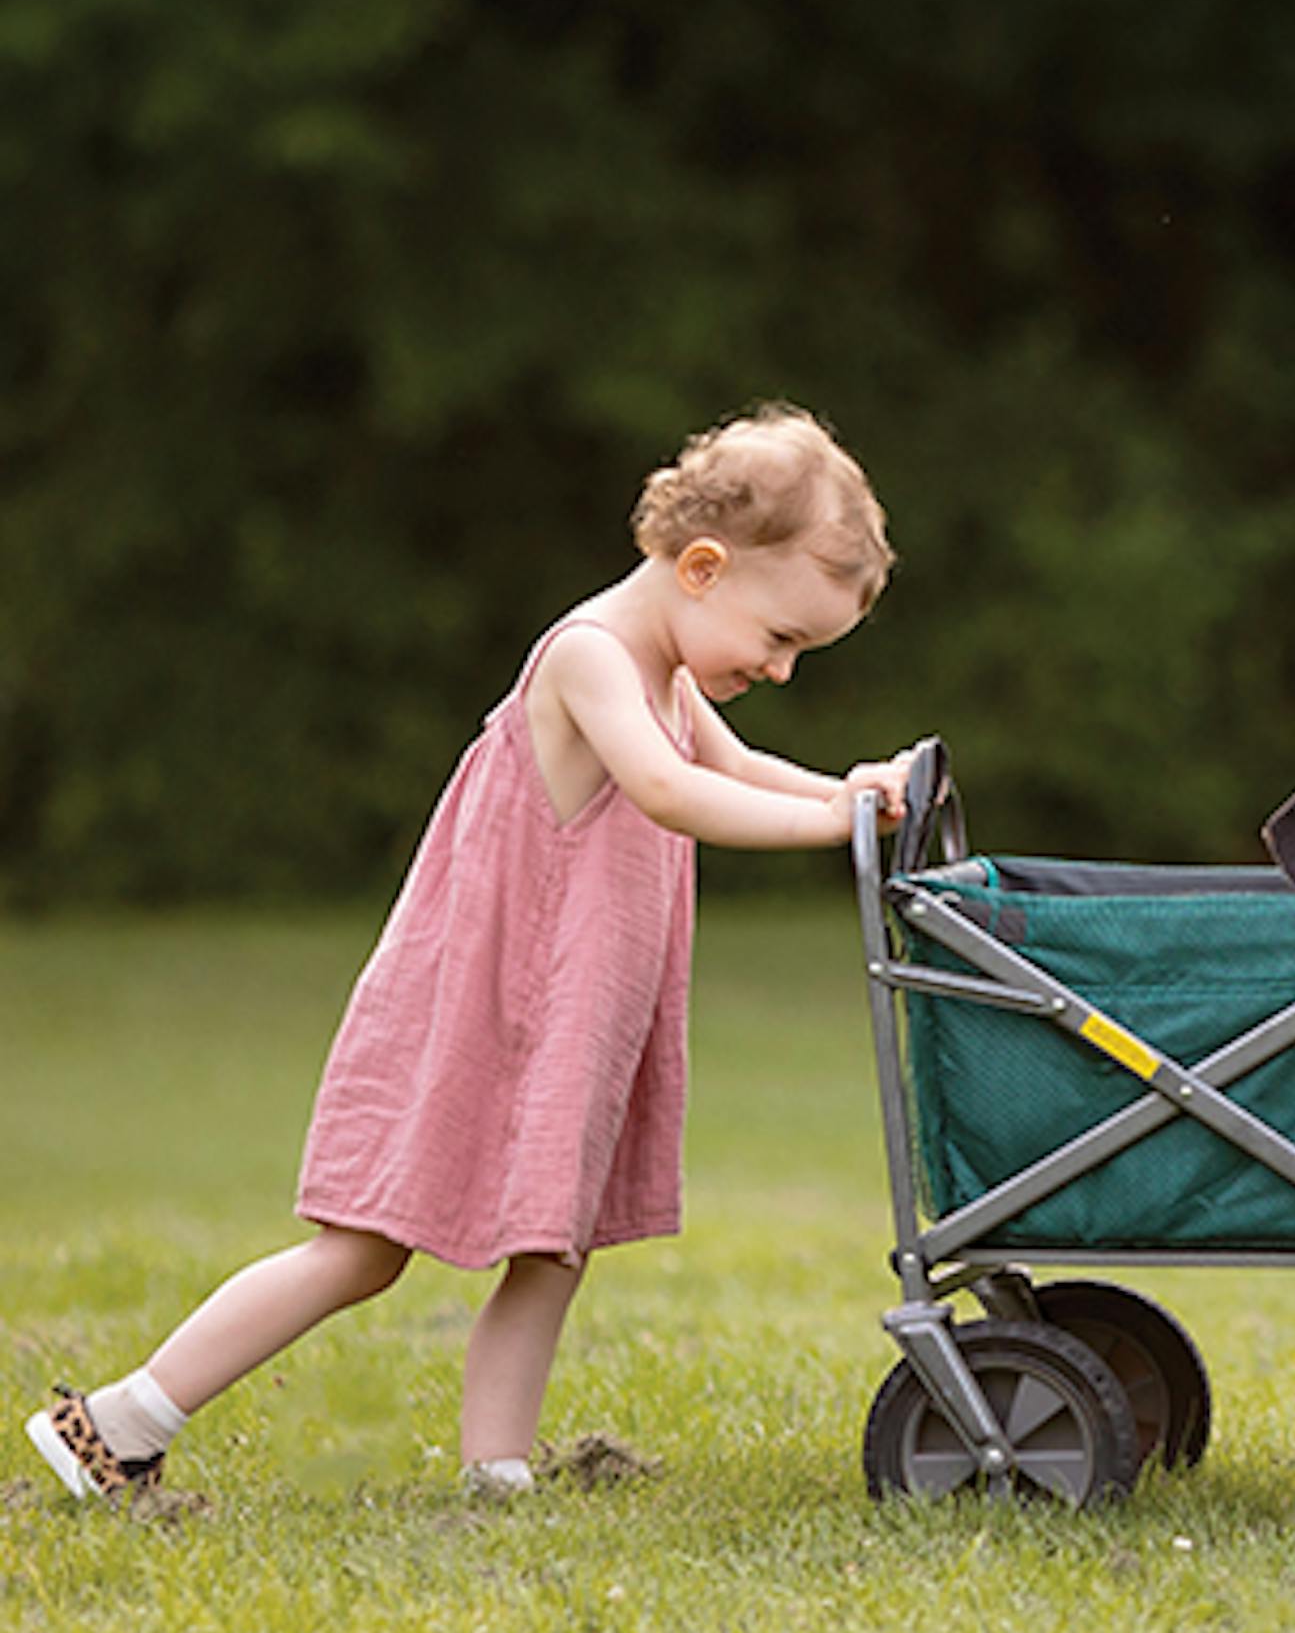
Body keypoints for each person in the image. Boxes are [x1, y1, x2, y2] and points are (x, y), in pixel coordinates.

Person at [27, 405, 918, 1504]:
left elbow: (738, 767)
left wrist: (850, 793)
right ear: (700, 568)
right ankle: (117, 1420)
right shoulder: (593, 657)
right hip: (492, 1002)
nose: (783, 669)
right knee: (364, 1248)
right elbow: (672, 791)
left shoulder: (675, 672)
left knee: (554, 1240)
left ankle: (497, 1473)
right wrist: (832, 832)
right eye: (780, 639)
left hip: (570, 1010)